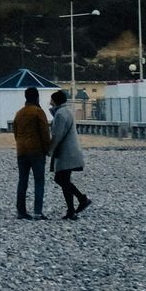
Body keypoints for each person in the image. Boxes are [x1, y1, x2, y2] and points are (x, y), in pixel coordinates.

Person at [48, 89, 91, 218]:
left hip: (65, 153)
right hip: (71, 151)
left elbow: (57, 135)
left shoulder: (60, 114)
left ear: (55, 101)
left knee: (60, 179)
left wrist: (50, 150)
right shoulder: (67, 111)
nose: (49, 102)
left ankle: (81, 200)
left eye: (51, 99)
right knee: (64, 180)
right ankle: (72, 209)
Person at [10, 84, 51, 217]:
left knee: (23, 181)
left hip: (21, 150)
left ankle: (21, 211)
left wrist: (20, 144)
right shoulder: (38, 112)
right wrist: (47, 148)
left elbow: (15, 131)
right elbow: (44, 132)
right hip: (36, 150)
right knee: (39, 181)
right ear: (37, 97)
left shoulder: (19, 113)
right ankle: (37, 211)